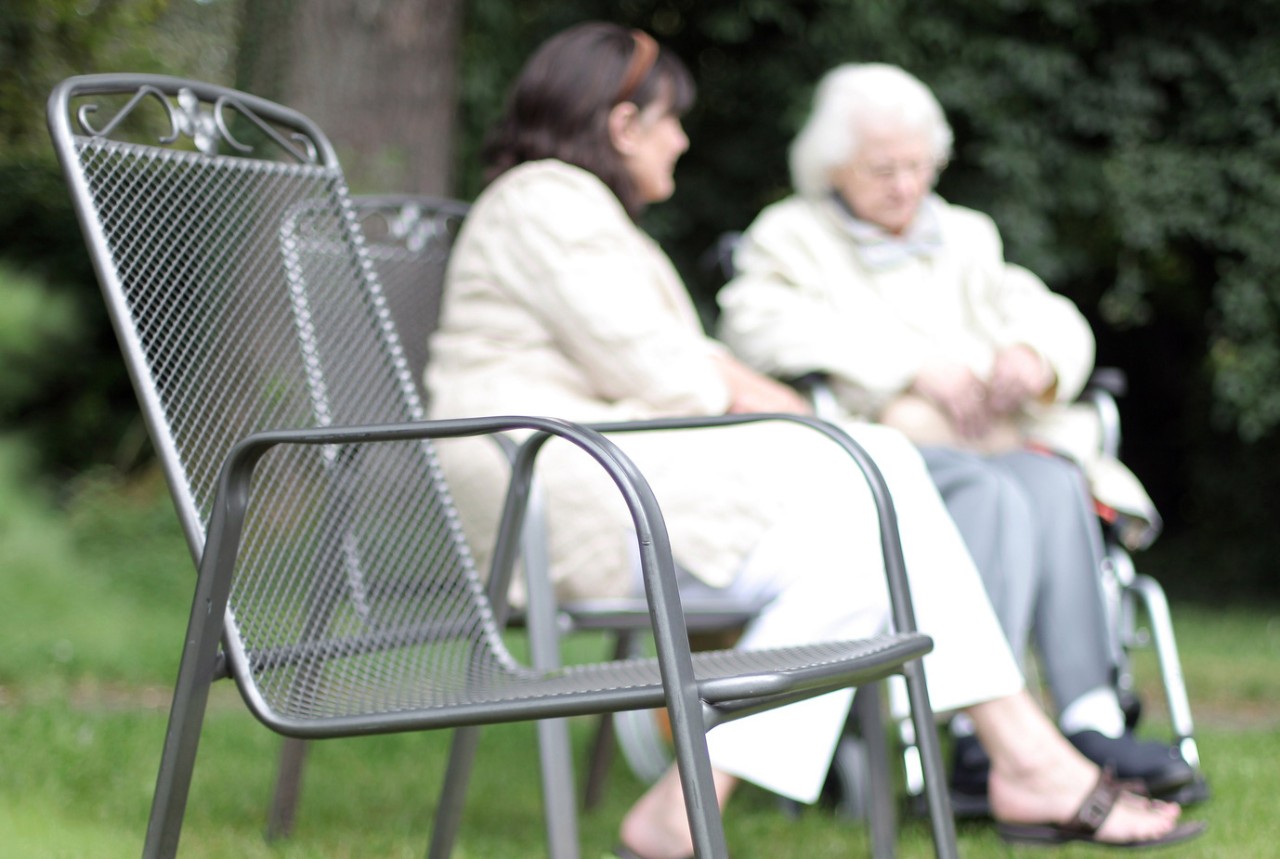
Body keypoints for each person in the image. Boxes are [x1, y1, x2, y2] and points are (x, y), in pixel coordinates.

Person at [425, 23, 1202, 857]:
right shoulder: (548, 199)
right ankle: (1028, 759)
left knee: (870, 547)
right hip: (553, 493)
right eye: (671, 120)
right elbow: (667, 369)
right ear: (622, 125)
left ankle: (687, 806)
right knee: (879, 467)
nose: (683, 139)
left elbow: (668, 365)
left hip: (601, 471)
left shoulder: (570, 208)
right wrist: (818, 423)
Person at [716, 62, 1198, 808]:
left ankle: (1089, 716)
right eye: (884, 169)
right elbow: (757, 323)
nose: (906, 186)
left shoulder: (965, 235)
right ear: (832, 165)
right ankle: (977, 738)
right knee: (994, 490)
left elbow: (1047, 312)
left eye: (918, 166)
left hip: (995, 442)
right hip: (880, 455)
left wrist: (1030, 359)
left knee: (1054, 476)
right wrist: (911, 367)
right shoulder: (791, 237)